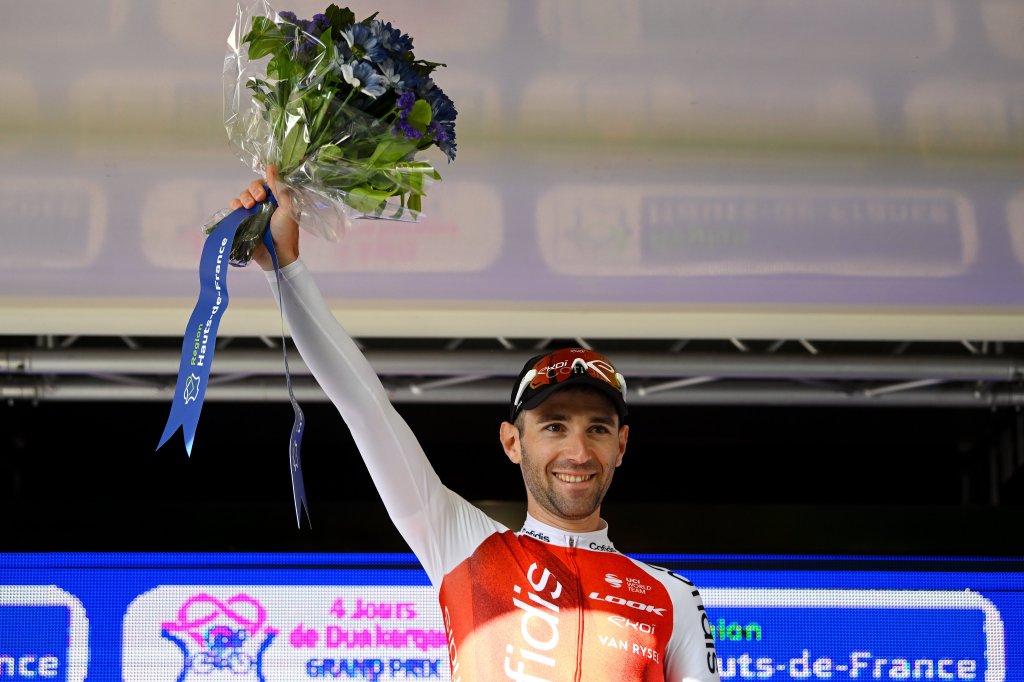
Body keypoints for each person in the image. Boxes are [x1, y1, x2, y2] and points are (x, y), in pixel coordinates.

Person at [231, 168, 721, 681]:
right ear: (512, 442)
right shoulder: (461, 542)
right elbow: (365, 408)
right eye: (554, 426)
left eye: (597, 429)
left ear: (621, 444)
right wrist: (284, 268)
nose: (578, 452)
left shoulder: (673, 597)